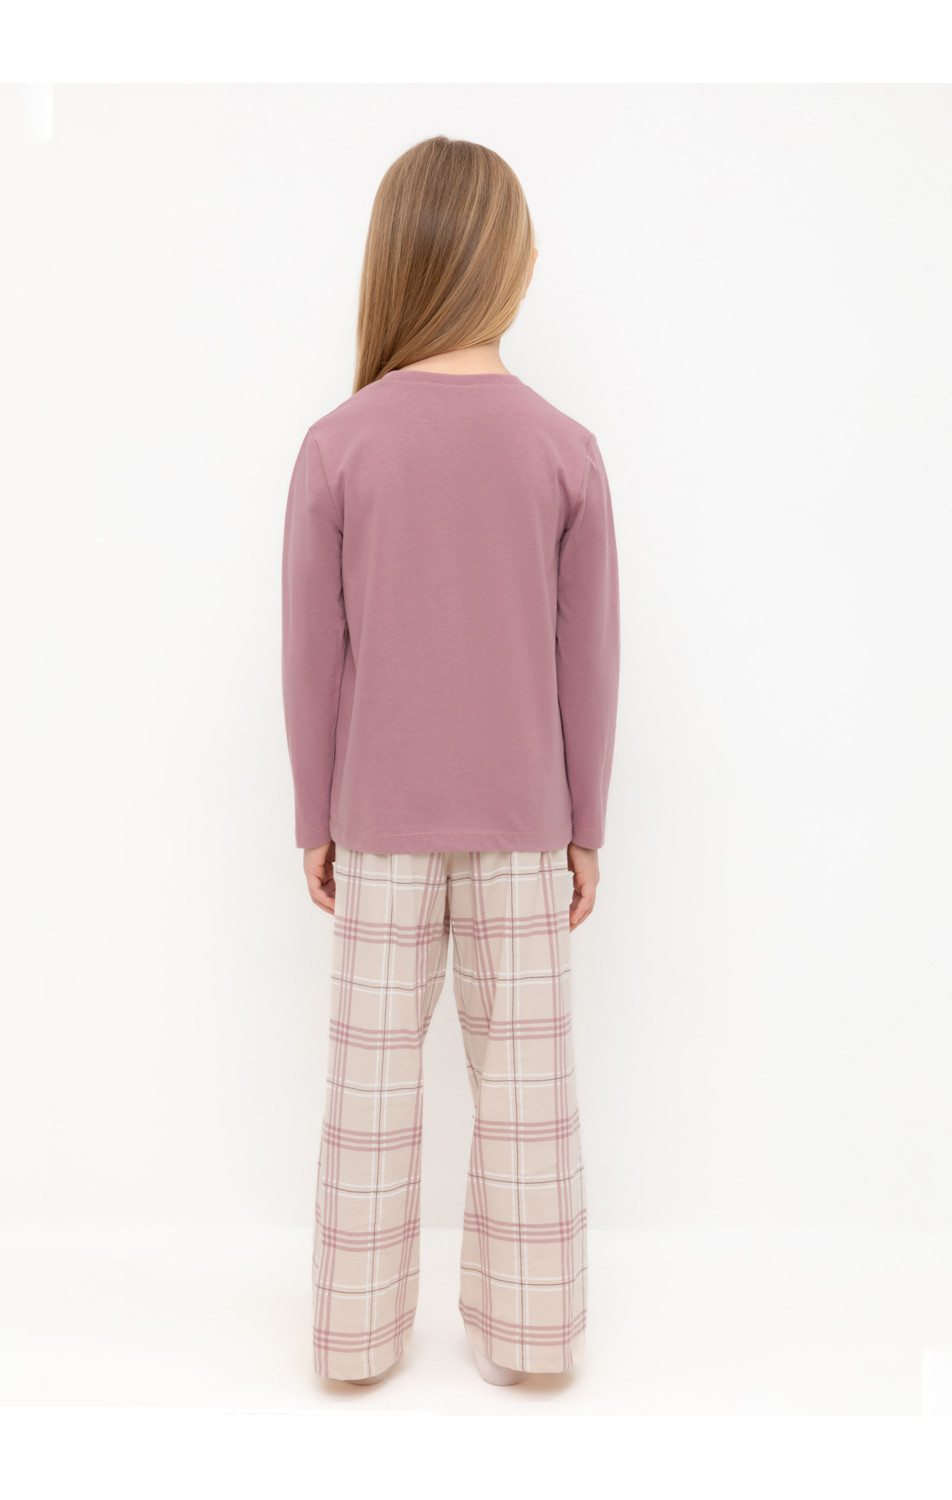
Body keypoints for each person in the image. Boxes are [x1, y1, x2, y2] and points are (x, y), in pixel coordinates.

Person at [280, 135, 620, 1388]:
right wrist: (586, 826)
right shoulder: (563, 448)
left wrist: (313, 816)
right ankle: (532, 1338)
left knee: (368, 1095)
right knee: (527, 1097)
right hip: (526, 825)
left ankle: (354, 1339)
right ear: (506, 265)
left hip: (376, 825)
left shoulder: (339, 444)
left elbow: (312, 655)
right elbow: (588, 659)